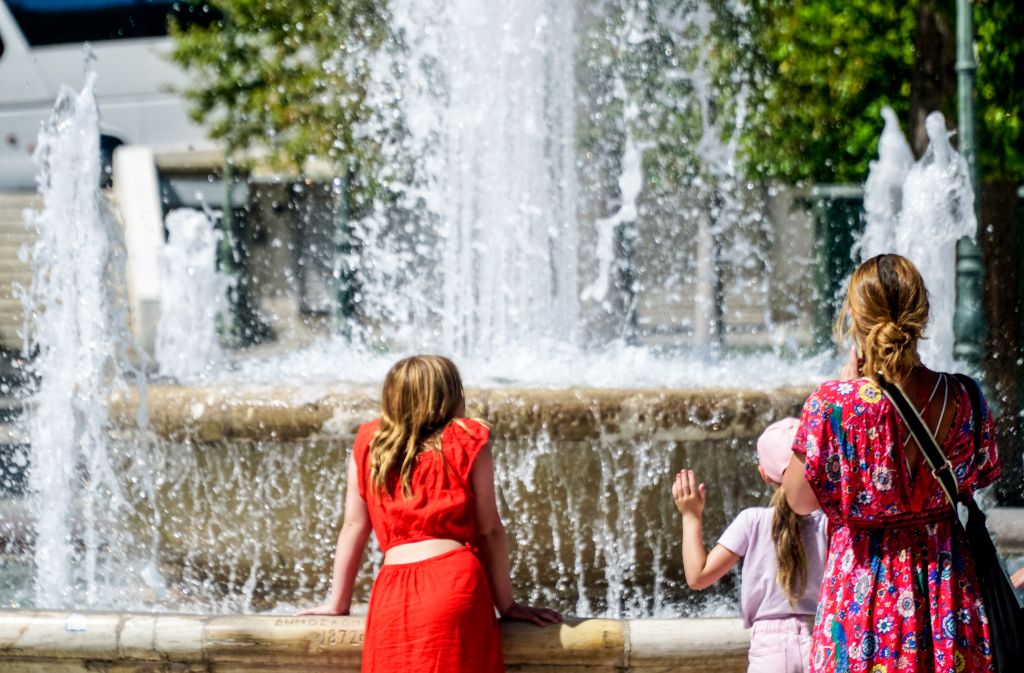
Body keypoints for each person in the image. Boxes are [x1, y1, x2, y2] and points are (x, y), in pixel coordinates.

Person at [783, 254, 1002, 673]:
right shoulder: (965, 397)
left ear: (855, 318)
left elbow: (798, 500)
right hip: (947, 593)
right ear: (921, 313)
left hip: (862, 597)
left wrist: (847, 393)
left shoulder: (834, 403)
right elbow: (983, 472)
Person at [300, 355, 561, 672]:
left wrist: (337, 603)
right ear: (449, 398)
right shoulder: (467, 440)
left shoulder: (370, 444)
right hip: (455, 584)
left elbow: (353, 526)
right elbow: (489, 531)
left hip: (392, 593)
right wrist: (506, 605)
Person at [673, 417, 828, 673]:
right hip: (822, 638)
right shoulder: (830, 523)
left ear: (764, 474)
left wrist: (691, 516)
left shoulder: (752, 521)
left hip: (769, 648)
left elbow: (697, 577)